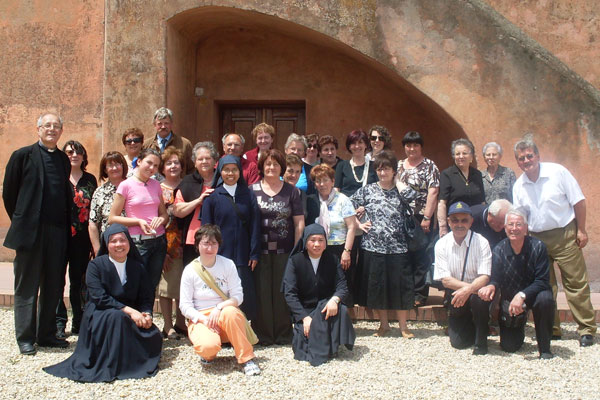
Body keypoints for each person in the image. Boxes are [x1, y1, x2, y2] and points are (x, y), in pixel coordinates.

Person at [43, 224, 162, 381]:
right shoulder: (95, 266)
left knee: (155, 335)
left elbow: (146, 296)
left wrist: (147, 313)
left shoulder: (137, 267)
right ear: (106, 244)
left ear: (129, 243)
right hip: (100, 313)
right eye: (113, 241)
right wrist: (130, 311)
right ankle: (117, 364)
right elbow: (100, 297)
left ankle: (130, 359)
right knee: (117, 318)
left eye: (122, 240)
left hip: (128, 314)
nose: (118, 244)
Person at [512, 138, 596, 346]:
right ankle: (552, 328)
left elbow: (579, 201)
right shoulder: (519, 185)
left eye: (530, 156)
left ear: (538, 156)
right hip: (536, 239)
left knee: (575, 283)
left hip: (564, 234)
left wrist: (582, 230)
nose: (526, 161)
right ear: (518, 162)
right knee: (545, 286)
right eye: (521, 158)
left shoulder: (558, 172)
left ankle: (586, 329)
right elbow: (520, 217)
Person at [3, 113, 72, 355]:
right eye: (47, 125)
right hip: (30, 233)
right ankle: (25, 337)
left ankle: (46, 334)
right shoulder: (22, 156)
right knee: (27, 286)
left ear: (61, 131)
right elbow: (9, 194)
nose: (52, 129)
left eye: (56, 126)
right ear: (38, 129)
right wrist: (23, 220)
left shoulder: (64, 160)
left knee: (54, 285)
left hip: (57, 232)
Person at [179, 224, 261, 376]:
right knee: (207, 347)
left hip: (224, 313)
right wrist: (203, 320)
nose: (209, 248)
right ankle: (209, 352)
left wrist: (219, 307)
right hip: (201, 317)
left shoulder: (227, 264)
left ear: (219, 245)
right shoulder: (190, 270)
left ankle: (246, 358)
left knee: (231, 312)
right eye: (205, 243)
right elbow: (184, 305)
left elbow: (238, 296)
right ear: (197, 245)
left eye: (213, 243)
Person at [350, 150, 415, 338]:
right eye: (379, 169)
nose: (382, 173)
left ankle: (403, 326)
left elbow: (414, 198)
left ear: (394, 171)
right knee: (378, 288)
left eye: (386, 169)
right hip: (373, 247)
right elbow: (347, 206)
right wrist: (358, 223)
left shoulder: (401, 191)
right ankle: (384, 325)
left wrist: (399, 182)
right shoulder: (368, 190)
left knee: (400, 288)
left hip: (398, 247)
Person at [478, 209, 555, 359]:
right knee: (509, 346)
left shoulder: (538, 247)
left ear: (526, 228)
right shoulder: (499, 250)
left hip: (534, 295)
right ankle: (519, 323)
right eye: (510, 224)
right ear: (505, 228)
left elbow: (542, 281)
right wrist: (491, 286)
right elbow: (496, 278)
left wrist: (522, 295)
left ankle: (545, 348)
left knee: (546, 299)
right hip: (510, 300)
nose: (514, 228)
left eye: (519, 224)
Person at [281, 224, 356, 366]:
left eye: (321, 240)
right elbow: (290, 293)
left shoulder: (332, 260)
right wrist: (304, 318)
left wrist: (334, 300)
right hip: (306, 311)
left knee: (342, 309)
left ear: (326, 243)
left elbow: (342, 286)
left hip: (326, 308)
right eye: (312, 240)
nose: (317, 244)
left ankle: (332, 346)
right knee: (302, 349)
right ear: (305, 241)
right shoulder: (295, 261)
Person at [251, 149, 304, 345]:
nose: (271, 167)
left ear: (281, 167)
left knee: (283, 292)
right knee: (262, 292)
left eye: (275, 164)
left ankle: (283, 334)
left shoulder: (292, 191)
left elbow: (299, 222)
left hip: (285, 250)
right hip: (260, 252)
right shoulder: (252, 190)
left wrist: (297, 250)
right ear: (262, 167)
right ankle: (263, 335)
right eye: (268, 164)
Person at [201, 155, 261, 321]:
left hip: (243, 255)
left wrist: (254, 253)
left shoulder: (248, 195)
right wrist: (209, 253)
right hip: (220, 255)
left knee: (242, 292)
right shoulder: (212, 197)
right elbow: (206, 228)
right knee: (220, 293)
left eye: (234, 169)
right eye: (226, 169)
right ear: (220, 171)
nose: (230, 173)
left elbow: (255, 225)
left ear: (239, 172)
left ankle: (243, 330)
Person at [434, 201, 492, 354]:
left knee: (479, 299)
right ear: (448, 222)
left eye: (464, 220)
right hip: (456, 294)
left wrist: (468, 291)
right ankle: (470, 325)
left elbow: (485, 276)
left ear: (471, 221)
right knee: (458, 343)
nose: (459, 224)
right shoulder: (441, 244)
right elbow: (445, 280)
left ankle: (481, 341)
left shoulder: (482, 242)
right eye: (455, 220)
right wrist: (469, 289)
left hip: (476, 295)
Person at [109, 148, 169, 294]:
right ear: (139, 161)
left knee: (151, 286)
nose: (152, 168)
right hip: (138, 243)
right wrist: (138, 222)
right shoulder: (126, 185)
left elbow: (164, 214)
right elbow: (112, 218)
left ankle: (147, 315)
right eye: (149, 163)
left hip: (158, 241)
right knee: (135, 284)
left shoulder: (156, 185)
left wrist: (160, 219)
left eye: (156, 166)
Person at [56, 140, 98, 338]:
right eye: (70, 152)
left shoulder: (90, 180)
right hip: (59, 236)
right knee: (56, 280)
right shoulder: (58, 177)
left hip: (81, 238)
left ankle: (78, 321)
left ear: (84, 156)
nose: (74, 155)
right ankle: (58, 322)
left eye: (78, 152)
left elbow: (93, 211)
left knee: (78, 280)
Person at [397, 131, 440, 307]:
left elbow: (433, 191)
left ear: (421, 147)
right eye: (408, 145)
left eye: (415, 145)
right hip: (402, 217)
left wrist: (427, 217)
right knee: (404, 255)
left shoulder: (430, 166)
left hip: (421, 216)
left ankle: (419, 294)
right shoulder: (399, 165)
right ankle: (405, 292)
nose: (411, 148)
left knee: (421, 255)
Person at [306, 164, 357, 313]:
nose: (321, 184)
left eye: (325, 180)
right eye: (318, 181)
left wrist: (347, 251)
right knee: (321, 285)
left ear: (333, 181)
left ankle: (342, 321)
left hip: (339, 249)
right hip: (317, 250)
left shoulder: (343, 200)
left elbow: (352, 227)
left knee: (340, 285)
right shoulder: (311, 201)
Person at [158, 147, 187, 339]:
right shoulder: (156, 188)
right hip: (165, 243)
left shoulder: (188, 185)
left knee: (184, 285)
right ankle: (167, 325)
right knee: (166, 286)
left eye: (176, 162)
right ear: (162, 167)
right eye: (169, 163)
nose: (173, 166)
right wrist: (161, 250)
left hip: (186, 242)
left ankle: (181, 322)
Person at [173, 141, 217, 267]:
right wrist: (198, 201)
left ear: (215, 161)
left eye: (208, 158)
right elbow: (177, 211)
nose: (204, 161)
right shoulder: (188, 182)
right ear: (195, 162)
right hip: (193, 240)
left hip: (218, 239)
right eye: (200, 159)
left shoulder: (222, 180)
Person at [438, 138, 485, 237]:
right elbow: (442, 203)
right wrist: (443, 227)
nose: (461, 156)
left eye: (464, 153)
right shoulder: (447, 174)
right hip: (456, 224)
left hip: (476, 224)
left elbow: (482, 202)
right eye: (457, 154)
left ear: (471, 156)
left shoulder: (477, 174)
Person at [89, 151, 128, 255]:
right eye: (110, 165)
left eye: (117, 164)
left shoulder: (133, 187)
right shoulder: (99, 192)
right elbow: (93, 223)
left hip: (133, 243)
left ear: (123, 166)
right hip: (108, 246)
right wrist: (97, 249)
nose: (114, 168)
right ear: (105, 170)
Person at [144, 107, 193, 173]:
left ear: (171, 124)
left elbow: (191, 169)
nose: (163, 126)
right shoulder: (146, 145)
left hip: (179, 182)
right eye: (159, 124)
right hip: (153, 183)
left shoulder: (185, 144)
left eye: (166, 123)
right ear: (154, 125)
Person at [335, 129, 378, 197]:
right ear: (349, 146)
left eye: (360, 142)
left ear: (366, 145)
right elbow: (336, 189)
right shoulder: (342, 165)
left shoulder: (375, 165)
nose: (357, 146)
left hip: (368, 205)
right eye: (353, 143)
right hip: (346, 205)